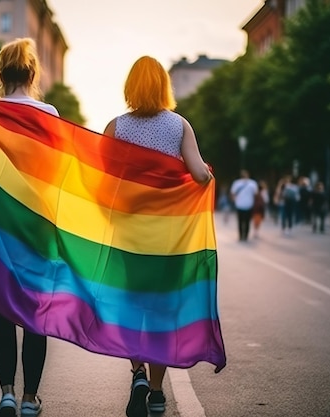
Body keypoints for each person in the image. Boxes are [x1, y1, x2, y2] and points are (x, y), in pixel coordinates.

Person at [103, 55, 214, 417]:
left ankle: (135, 373)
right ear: (164, 86)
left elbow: (104, 184)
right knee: (162, 313)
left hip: (129, 236)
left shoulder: (116, 128)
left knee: (133, 307)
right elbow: (198, 174)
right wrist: (204, 176)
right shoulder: (179, 126)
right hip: (167, 239)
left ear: (130, 87)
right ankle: (155, 392)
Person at [0, 37, 60, 417]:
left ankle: (7, 394)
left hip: (0, 226)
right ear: (33, 73)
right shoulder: (48, 113)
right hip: (38, 224)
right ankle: (31, 399)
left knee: (3, 311)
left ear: (2, 74)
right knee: (35, 314)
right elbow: (59, 173)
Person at [230, 170, 258, 242]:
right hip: (247, 204)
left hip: (241, 204)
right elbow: (256, 194)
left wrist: (235, 200)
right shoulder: (252, 183)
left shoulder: (237, 183)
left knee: (241, 221)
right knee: (246, 221)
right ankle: (244, 236)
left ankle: (242, 236)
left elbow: (232, 193)